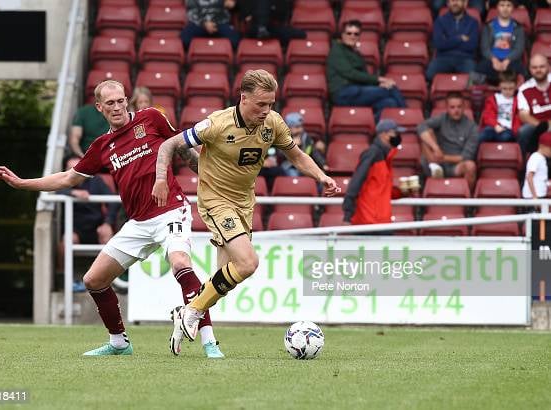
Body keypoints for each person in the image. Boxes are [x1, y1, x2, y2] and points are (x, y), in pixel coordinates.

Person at [0, 80, 224, 358]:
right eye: (110, 103)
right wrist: (22, 183)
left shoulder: (150, 118)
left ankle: (210, 343)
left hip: (171, 211)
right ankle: (119, 343)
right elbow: (68, 178)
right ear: (99, 108)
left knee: (180, 263)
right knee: (93, 280)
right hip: (138, 222)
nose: (117, 107)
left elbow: (182, 148)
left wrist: (209, 177)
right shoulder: (102, 146)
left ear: (127, 101)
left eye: (120, 101)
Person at [152, 69, 340, 351]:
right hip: (216, 199)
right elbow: (171, 144)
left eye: (271, 104)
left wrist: (321, 176)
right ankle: (192, 312)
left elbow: (297, 156)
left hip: (244, 202)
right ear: (243, 98)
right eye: (261, 104)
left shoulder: (273, 124)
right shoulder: (217, 124)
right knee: (248, 263)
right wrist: (161, 178)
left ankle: (187, 311)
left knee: (223, 278)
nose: (267, 111)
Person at [327, 20, 405, 122]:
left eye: (356, 34)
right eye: (349, 33)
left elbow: (365, 77)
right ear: (342, 35)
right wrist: (379, 80)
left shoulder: (357, 54)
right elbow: (350, 73)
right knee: (391, 88)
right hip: (344, 93)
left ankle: (373, 126)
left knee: (390, 103)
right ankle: (407, 117)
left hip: (357, 92)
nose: (352, 36)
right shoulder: (337, 50)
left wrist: (378, 85)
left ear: (359, 36)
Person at [56, 155, 120, 275]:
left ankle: (111, 280)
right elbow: (53, 190)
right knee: (67, 241)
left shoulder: (96, 180)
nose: (74, 172)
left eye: (77, 168)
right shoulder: (63, 181)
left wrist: (107, 223)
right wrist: (73, 192)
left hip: (96, 227)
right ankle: (63, 278)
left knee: (107, 235)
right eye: (70, 169)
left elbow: (113, 201)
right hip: (75, 229)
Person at [342, 119, 403, 226]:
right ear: (384, 134)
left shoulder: (386, 158)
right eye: (395, 133)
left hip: (380, 220)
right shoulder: (373, 154)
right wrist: (348, 215)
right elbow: (356, 182)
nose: (398, 136)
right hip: (369, 221)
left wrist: (403, 192)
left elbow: (381, 190)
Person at [418, 92, 479, 189]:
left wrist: (443, 157)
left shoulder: (472, 128)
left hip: (456, 166)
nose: (456, 110)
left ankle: (467, 200)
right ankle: (434, 167)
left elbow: (466, 156)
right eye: (452, 107)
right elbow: (421, 127)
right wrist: (435, 147)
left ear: (464, 107)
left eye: (459, 107)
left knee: (470, 166)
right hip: (436, 162)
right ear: (447, 108)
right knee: (427, 132)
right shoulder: (442, 118)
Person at [426, 0, 480, 82]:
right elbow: (439, 44)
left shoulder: (473, 22)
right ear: (448, 4)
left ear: (465, 3)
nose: (455, 3)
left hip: (465, 59)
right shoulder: (440, 21)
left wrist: (448, 40)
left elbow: (472, 45)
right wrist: (460, 38)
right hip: (443, 58)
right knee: (429, 75)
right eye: (452, 1)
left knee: (476, 79)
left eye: (458, 1)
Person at [475, 0, 526, 84]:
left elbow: (519, 49)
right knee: (478, 70)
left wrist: (507, 60)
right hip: (491, 60)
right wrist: (494, 60)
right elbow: (484, 48)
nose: (505, 8)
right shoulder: (488, 26)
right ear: (497, 8)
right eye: (502, 5)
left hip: (512, 61)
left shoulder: (518, 27)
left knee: (522, 70)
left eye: (508, 5)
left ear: (512, 8)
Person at [517, 54, 551, 157]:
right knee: (523, 131)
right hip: (537, 125)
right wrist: (544, 127)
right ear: (530, 69)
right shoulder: (524, 89)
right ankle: (525, 165)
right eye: (534, 67)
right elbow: (524, 115)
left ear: (548, 67)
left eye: (542, 67)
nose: (538, 70)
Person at [236, 0, 306, 47]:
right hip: (253, 27)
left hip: (272, 27)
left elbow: (283, 12)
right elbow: (243, 12)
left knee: (301, 34)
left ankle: (262, 28)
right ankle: (262, 28)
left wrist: (272, 8)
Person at [478, 70, 521, 143]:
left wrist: (515, 131)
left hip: (508, 130)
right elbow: (487, 116)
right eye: (504, 88)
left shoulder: (518, 101)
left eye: (511, 88)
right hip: (493, 127)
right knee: (481, 136)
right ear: (499, 86)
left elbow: (518, 119)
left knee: (505, 137)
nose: (507, 91)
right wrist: (495, 125)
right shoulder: (493, 99)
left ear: (516, 86)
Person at [280, 112, 327, 177]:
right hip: (290, 166)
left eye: (301, 126)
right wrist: (292, 146)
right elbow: (280, 155)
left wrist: (323, 164)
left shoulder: (306, 137)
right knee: (293, 174)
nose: (300, 129)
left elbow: (314, 152)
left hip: (305, 166)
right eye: (296, 127)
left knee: (320, 175)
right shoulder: (283, 138)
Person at [522, 132, 551, 199]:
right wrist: (534, 197)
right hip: (532, 196)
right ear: (542, 146)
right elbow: (529, 177)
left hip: (539, 195)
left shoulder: (541, 158)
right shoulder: (535, 157)